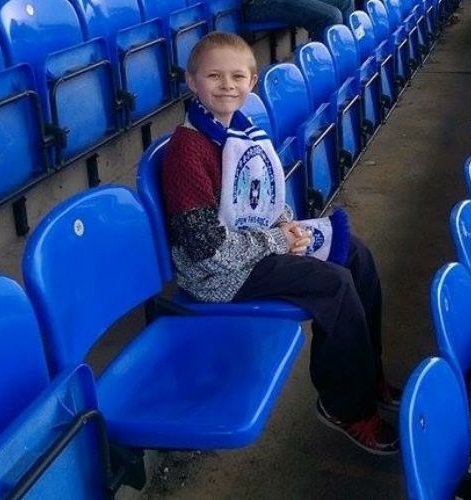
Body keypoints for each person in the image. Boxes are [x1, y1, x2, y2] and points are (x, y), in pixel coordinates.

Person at [162, 32, 400, 455]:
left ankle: (368, 375)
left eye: (237, 76)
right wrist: (277, 240)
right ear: (191, 81)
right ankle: (345, 406)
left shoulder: (240, 130)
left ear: (252, 82)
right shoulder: (187, 151)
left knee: (356, 254)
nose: (227, 85)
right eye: (214, 76)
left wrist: (288, 227)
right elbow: (207, 251)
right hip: (220, 275)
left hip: (252, 248)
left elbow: (264, 199)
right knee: (333, 284)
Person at [242, 0, 354, 41]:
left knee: (345, 2)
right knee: (331, 16)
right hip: (257, 4)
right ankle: (319, 66)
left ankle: (347, 52)